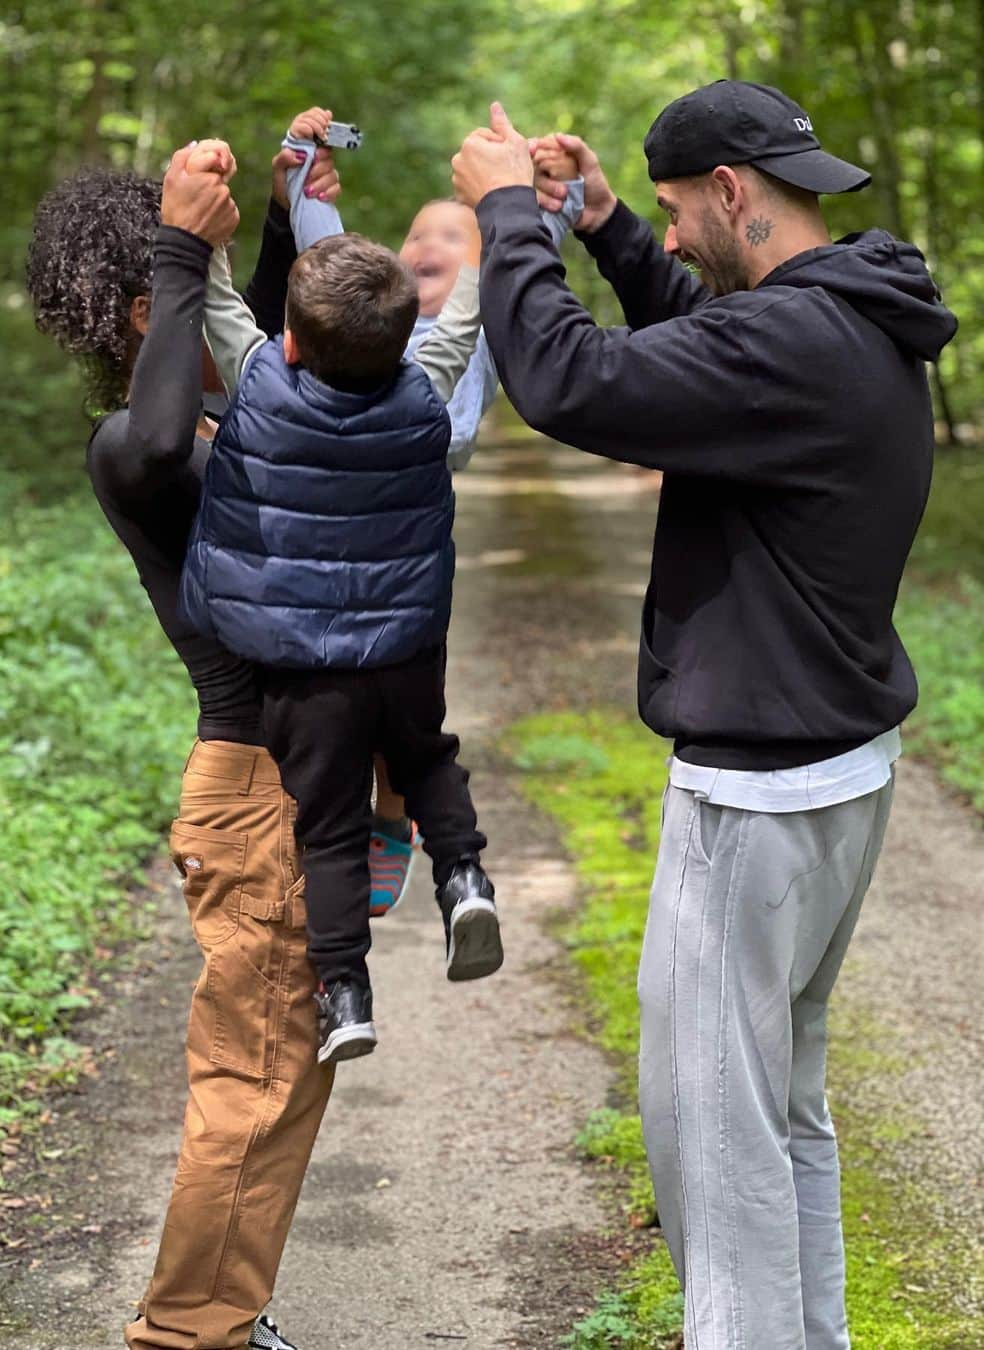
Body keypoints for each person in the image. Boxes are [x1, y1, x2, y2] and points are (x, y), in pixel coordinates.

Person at [451, 83, 957, 1350]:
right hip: (838, 775)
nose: (673, 240)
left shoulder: (793, 343)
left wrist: (511, 216)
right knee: (780, 1114)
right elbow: (707, 349)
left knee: (714, 1147)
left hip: (756, 798)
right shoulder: (852, 314)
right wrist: (613, 226)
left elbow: (570, 380)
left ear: (733, 193)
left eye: (679, 214)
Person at [27, 124, 343, 1350]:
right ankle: (191, 1332)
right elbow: (163, 425)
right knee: (254, 1084)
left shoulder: (211, 429)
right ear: (132, 308)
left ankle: (226, 1310)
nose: (204, 309)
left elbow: (235, 352)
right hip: (257, 797)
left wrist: (267, 222)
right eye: (175, 290)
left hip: (288, 788)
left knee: (281, 1076)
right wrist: (174, 248)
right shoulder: (134, 449)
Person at [179, 139, 504, 1065]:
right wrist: (490, 230)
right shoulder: (427, 392)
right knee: (429, 759)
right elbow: (466, 322)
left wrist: (205, 233)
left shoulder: (258, 385)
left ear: (286, 338)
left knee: (329, 832)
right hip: (402, 649)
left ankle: (348, 995)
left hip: (300, 669)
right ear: (405, 337)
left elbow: (215, 308)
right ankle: (466, 879)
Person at [268, 108, 584, 915]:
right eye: (416, 236)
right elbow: (325, 263)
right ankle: (355, 822)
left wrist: (560, 194)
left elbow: (533, 246)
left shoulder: (474, 324)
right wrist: (305, 169)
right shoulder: (378, 323)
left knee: (408, 695)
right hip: (353, 509)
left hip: (415, 498)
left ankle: (394, 815)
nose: (429, 246)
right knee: (351, 680)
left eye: (457, 235)